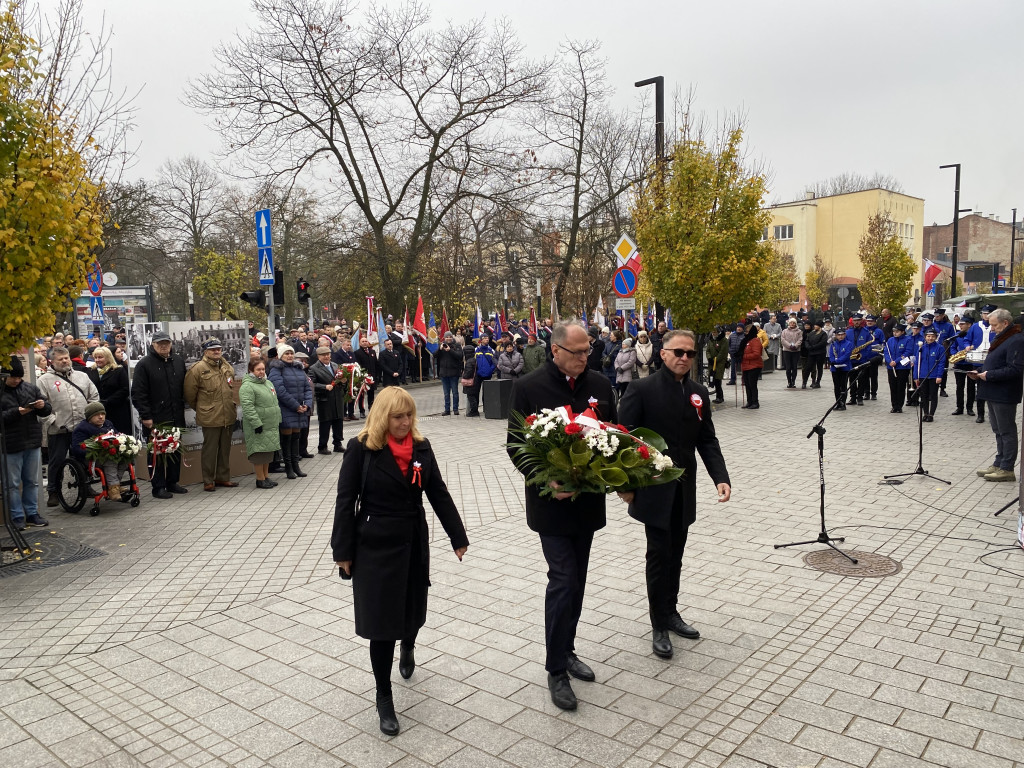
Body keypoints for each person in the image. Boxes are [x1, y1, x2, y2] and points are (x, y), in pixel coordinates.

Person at [331, 387, 468, 736]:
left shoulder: (422, 447)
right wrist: (342, 552)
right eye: (397, 416)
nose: (405, 422)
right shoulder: (361, 449)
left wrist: (457, 535)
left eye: (408, 415)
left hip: (412, 540)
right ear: (382, 417)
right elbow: (345, 501)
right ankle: (384, 697)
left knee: (411, 612)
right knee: (381, 625)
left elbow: (437, 491)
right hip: (374, 545)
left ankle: (409, 643)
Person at [506, 322, 617, 711]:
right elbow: (516, 446)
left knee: (578, 580)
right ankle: (556, 670)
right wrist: (549, 479)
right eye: (578, 352)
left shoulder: (601, 386)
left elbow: (613, 436)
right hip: (550, 505)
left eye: (589, 351)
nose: (586, 358)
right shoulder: (529, 387)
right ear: (556, 351)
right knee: (563, 578)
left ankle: (567, 649)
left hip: (586, 504)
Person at [618, 330, 730, 660]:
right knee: (658, 555)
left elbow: (707, 439)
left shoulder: (698, 392)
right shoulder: (641, 389)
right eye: (678, 352)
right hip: (653, 489)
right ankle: (658, 625)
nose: (684, 358)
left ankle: (671, 611)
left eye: (690, 353)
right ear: (662, 354)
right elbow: (624, 440)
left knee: (676, 554)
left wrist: (720, 477)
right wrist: (626, 485)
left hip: (685, 487)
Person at [39, 346, 100, 507]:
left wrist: (91, 418)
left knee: (84, 457)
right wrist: (52, 421)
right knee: (57, 460)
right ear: (52, 361)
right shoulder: (44, 380)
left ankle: (85, 486)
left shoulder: (82, 376)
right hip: (59, 428)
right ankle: (53, 490)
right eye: (61, 359)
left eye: (66, 357)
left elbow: (93, 396)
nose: (65, 361)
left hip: (82, 428)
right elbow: (41, 406)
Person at [969, 308, 1024, 482]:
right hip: (993, 391)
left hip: (1004, 393)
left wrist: (989, 375)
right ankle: (999, 462)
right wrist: (978, 371)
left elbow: (1015, 369)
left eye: (994, 325)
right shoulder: (1002, 338)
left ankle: (1007, 468)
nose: (991, 329)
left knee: (1006, 431)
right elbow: (994, 363)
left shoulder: (1016, 340)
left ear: (1005, 323)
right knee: (997, 430)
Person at [131, 331, 188, 499]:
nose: (164, 346)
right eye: (160, 343)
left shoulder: (178, 361)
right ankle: (158, 486)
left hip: (176, 414)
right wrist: (146, 415)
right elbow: (138, 393)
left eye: (166, 343)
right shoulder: (144, 364)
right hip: (156, 417)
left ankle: (172, 482)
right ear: (153, 345)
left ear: (171, 344)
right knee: (157, 453)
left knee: (174, 449)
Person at [1, 355, 52, 530]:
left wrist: (42, 406)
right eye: (12, 377)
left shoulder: (30, 388)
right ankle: (16, 516)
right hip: (10, 445)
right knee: (12, 484)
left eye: (19, 377)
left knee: (32, 481)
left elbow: (47, 410)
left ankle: (32, 514)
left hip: (31, 441)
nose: (16, 380)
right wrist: (17, 412)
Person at [183, 338, 239, 492]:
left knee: (225, 449)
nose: (216, 352)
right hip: (210, 415)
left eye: (219, 349)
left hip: (227, 413)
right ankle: (208, 480)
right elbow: (190, 394)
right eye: (213, 349)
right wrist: (204, 408)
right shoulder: (197, 368)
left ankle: (222, 477)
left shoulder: (225, 365)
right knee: (210, 450)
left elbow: (231, 384)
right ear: (205, 351)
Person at [70, 402, 133, 501]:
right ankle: (113, 489)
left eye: (102, 414)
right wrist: (96, 450)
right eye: (97, 415)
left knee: (125, 458)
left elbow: (117, 436)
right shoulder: (81, 429)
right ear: (89, 417)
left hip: (107, 454)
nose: (100, 417)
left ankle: (114, 486)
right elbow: (77, 449)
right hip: (91, 459)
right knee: (110, 461)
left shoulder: (108, 424)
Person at [268, 346, 313, 480]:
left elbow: (308, 388)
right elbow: (279, 390)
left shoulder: (299, 369)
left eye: (291, 353)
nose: (289, 355)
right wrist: (295, 406)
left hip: (300, 408)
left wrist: (306, 404)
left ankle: (296, 466)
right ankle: (289, 468)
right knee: (286, 439)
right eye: (286, 353)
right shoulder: (276, 369)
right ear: (280, 355)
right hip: (286, 408)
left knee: (296, 438)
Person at [239, 358, 282, 489]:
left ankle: (266, 476)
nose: (261, 372)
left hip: (270, 424)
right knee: (259, 453)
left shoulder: (268, 383)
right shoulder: (247, 386)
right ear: (251, 370)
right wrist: (256, 423)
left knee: (268, 452)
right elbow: (247, 407)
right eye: (258, 370)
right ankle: (260, 479)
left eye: (263, 369)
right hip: (258, 425)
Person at [309, 347, 346, 454]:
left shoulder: (335, 365)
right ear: (318, 356)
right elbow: (312, 384)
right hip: (325, 400)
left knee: (338, 421)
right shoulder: (314, 368)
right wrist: (324, 386)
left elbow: (340, 379)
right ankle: (322, 446)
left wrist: (343, 381)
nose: (326, 357)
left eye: (328, 354)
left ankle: (338, 444)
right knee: (325, 424)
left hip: (337, 398)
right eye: (323, 355)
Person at [90, 346, 132, 435]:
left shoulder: (118, 370)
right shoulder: (91, 371)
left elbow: (124, 389)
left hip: (117, 409)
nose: (97, 360)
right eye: (96, 357)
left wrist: (108, 401)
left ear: (108, 357)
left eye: (100, 357)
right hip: (97, 410)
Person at [966, 304, 997, 423]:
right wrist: (967, 345)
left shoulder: (996, 327)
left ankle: (993, 415)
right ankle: (980, 414)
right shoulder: (975, 326)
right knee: (980, 390)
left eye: (988, 314)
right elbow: (967, 339)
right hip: (978, 362)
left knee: (992, 389)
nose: (986, 316)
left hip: (992, 360)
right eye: (984, 314)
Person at [913, 327, 946, 423]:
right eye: (928, 336)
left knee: (933, 395)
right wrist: (916, 376)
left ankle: (931, 414)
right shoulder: (921, 348)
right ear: (925, 337)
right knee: (924, 395)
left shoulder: (940, 348)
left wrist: (939, 376)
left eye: (932, 336)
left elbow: (941, 363)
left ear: (936, 337)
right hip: (923, 375)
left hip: (934, 376)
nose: (930, 338)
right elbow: (917, 363)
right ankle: (925, 413)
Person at [948, 317, 977, 417]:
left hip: (970, 363)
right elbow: (952, 347)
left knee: (971, 387)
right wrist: (955, 355)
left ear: (969, 325)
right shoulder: (957, 335)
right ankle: (959, 407)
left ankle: (970, 408)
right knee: (959, 386)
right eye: (959, 324)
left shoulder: (973, 335)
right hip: (959, 363)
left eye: (962, 324)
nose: (960, 326)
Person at [883, 322, 912, 413]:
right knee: (893, 386)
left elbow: (907, 352)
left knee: (901, 386)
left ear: (902, 332)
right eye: (894, 331)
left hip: (902, 367)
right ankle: (894, 405)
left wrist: (896, 361)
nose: (895, 333)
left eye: (897, 331)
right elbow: (886, 352)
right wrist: (889, 361)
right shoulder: (890, 340)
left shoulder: (908, 340)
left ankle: (899, 406)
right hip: (891, 367)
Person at [436, 331, 464, 415]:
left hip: (454, 373)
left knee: (455, 392)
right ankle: (447, 410)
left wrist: (450, 350)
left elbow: (460, 356)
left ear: (452, 337)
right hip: (444, 373)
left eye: (450, 337)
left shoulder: (457, 345)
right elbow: (434, 356)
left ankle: (455, 409)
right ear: (444, 338)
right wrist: (440, 349)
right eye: (447, 337)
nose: (448, 339)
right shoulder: (441, 346)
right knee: (446, 393)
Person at [826, 328, 853, 411]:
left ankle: (843, 403)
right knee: (836, 386)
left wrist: (837, 360)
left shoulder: (849, 344)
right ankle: (838, 402)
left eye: (842, 335)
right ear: (836, 336)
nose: (840, 336)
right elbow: (831, 354)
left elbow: (847, 355)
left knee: (843, 386)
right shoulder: (833, 344)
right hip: (835, 368)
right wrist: (832, 361)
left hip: (845, 367)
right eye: (838, 335)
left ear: (844, 335)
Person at [354, 335, 379, 418]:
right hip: (363, 377)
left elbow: (376, 364)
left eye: (366, 341)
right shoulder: (357, 353)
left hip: (372, 376)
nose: (365, 343)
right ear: (360, 343)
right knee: (362, 395)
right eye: (363, 341)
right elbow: (358, 365)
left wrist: (376, 376)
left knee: (371, 394)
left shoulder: (372, 352)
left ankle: (371, 409)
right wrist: (362, 376)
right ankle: (362, 411)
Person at [739, 323, 763, 409]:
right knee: (747, 384)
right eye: (745, 331)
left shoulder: (755, 340)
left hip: (754, 366)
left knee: (752, 385)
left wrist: (744, 356)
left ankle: (755, 402)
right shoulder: (747, 340)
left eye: (747, 331)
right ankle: (749, 402)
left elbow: (756, 354)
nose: (746, 333)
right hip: (746, 366)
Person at [704, 327, 727, 403]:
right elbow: (707, 351)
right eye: (713, 332)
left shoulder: (723, 340)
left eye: (715, 332)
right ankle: (718, 396)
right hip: (711, 363)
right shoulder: (711, 340)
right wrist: (709, 358)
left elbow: (723, 352)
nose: (713, 334)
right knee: (713, 379)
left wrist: (716, 360)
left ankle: (720, 397)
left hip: (719, 363)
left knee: (718, 379)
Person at [802, 320, 828, 390]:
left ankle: (818, 382)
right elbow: (807, 340)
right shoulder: (811, 333)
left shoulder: (823, 334)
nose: (815, 326)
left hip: (820, 353)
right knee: (808, 367)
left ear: (819, 326)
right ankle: (804, 382)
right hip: (811, 353)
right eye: (815, 325)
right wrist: (808, 346)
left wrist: (813, 347)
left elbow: (823, 343)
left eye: (816, 325)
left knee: (819, 368)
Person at [780, 318, 803, 388]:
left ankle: (793, 382)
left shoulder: (799, 331)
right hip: (787, 350)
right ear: (788, 323)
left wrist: (795, 346)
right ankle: (789, 381)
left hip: (796, 351)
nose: (792, 324)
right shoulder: (784, 331)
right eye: (791, 323)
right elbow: (783, 340)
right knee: (788, 367)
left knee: (794, 367)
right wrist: (789, 346)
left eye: (793, 323)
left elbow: (800, 339)